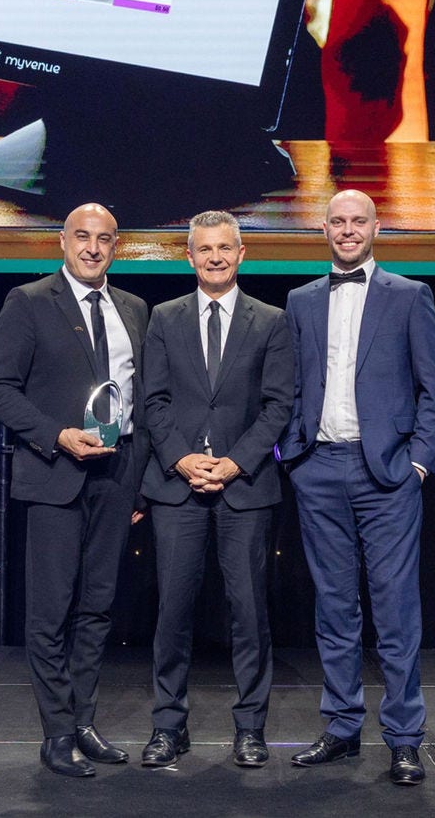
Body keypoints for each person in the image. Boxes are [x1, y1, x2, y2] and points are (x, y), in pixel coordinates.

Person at [279, 189, 435, 786]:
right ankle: (342, 727)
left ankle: (403, 737)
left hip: (388, 476)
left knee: (396, 610)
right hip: (318, 470)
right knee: (333, 607)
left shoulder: (409, 296)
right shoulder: (300, 301)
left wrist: (420, 464)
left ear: (377, 227)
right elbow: (291, 385)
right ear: (324, 229)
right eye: (338, 222)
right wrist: (291, 454)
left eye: (359, 222)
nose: (348, 231)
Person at [0, 202, 149, 778]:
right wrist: (56, 435)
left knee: (97, 607)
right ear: (62, 240)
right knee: (51, 611)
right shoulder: (28, 303)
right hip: (55, 473)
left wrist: (141, 489)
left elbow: (143, 405)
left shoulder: (134, 308)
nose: (93, 248)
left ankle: (83, 720)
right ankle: (56, 732)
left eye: (104, 238)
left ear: (117, 244)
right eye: (82, 236)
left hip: (118, 476)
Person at [138, 211, 294, 769]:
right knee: (172, 610)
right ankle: (167, 727)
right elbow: (152, 400)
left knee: (248, 612)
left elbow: (279, 406)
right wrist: (182, 459)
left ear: (241, 253)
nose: (215, 257)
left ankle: (251, 729)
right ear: (190, 256)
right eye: (204, 249)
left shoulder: (272, 321)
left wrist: (233, 464)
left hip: (244, 487)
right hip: (176, 488)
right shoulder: (164, 317)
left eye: (224, 248)